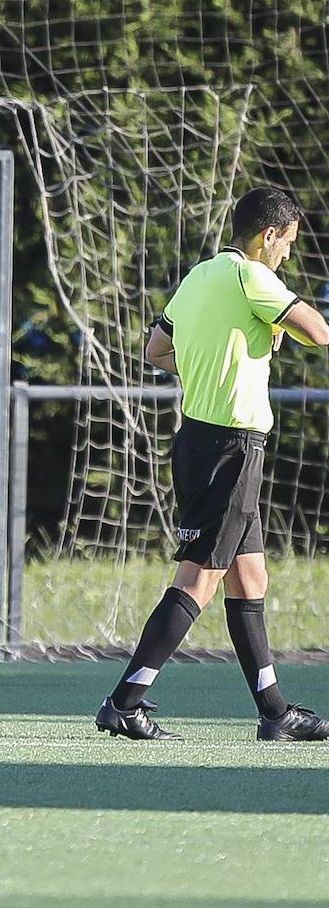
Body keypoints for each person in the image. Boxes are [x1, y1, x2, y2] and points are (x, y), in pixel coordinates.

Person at [96, 186, 329, 741]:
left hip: (201, 440)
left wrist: (214, 356)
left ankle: (274, 712)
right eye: (288, 244)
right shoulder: (254, 276)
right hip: (230, 448)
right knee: (199, 578)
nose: (288, 256)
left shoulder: (200, 276)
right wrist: (277, 327)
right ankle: (124, 702)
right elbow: (320, 333)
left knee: (249, 578)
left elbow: (156, 349)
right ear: (268, 235)